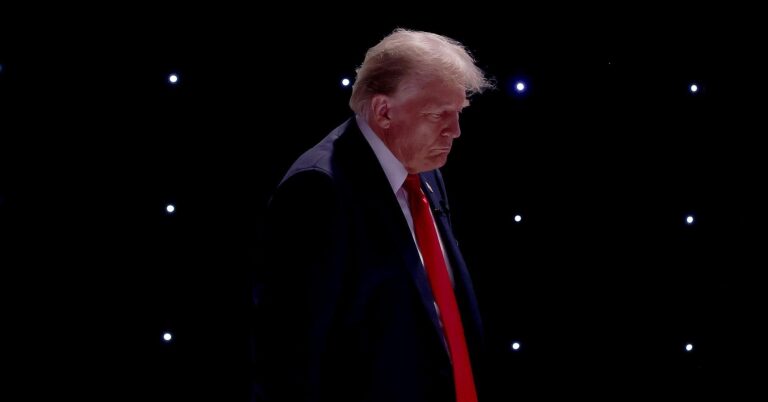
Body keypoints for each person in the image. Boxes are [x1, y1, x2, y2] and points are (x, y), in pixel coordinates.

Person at [256, 28, 493, 402]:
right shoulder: (319, 191)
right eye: (438, 115)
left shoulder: (424, 166)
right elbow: (289, 362)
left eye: (459, 113)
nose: (456, 131)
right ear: (384, 111)